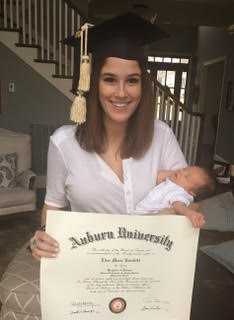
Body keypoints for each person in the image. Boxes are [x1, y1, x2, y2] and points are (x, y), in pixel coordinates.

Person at [30, 12, 197, 261]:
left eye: (132, 80)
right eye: (110, 79)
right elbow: (53, 206)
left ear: (143, 85)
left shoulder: (162, 136)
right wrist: (41, 237)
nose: (121, 93)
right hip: (89, 267)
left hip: (151, 265)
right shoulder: (64, 143)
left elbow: (191, 201)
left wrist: (142, 227)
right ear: (93, 82)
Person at [135, 166, 215, 227]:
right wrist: (175, 174)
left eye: (187, 177)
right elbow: (160, 175)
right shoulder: (173, 182)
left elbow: (178, 206)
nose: (181, 172)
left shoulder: (180, 193)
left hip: (149, 219)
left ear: (191, 192)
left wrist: (190, 213)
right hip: (139, 216)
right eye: (185, 169)